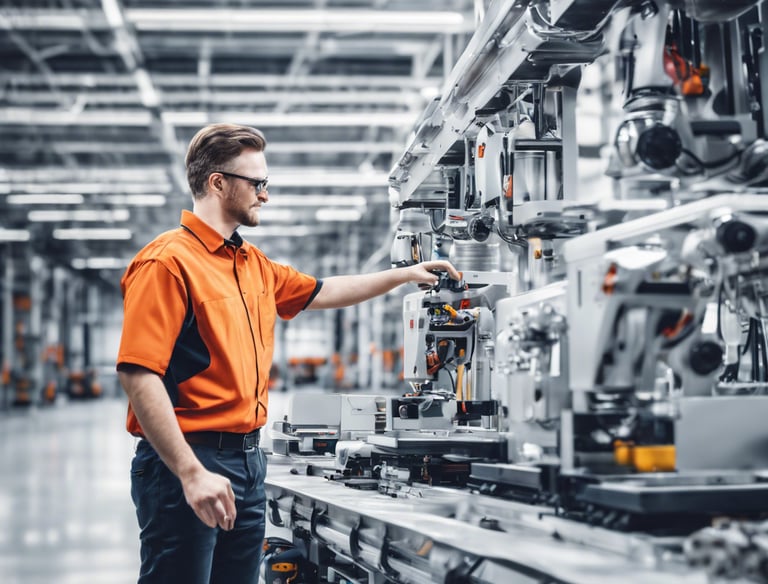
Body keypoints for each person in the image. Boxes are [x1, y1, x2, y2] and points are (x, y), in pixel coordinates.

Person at [116, 123, 459, 584]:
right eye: (257, 183)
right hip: (187, 462)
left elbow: (324, 290)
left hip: (247, 462)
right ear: (218, 183)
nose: (265, 195)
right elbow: (139, 374)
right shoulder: (167, 263)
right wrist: (190, 472)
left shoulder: (251, 264)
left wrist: (404, 275)